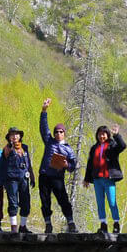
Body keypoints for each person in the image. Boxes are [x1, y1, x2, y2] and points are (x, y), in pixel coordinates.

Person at [38, 99, 78, 233]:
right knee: (45, 201)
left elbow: (73, 167)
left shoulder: (69, 149)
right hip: (44, 175)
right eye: (56, 132)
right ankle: (48, 224)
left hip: (57, 177)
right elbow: (44, 128)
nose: (58, 134)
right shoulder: (49, 141)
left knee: (63, 200)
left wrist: (67, 164)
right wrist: (44, 111)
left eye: (61, 132)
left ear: (64, 133)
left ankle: (71, 222)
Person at [83, 124, 125, 234]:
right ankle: (103, 225)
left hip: (108, 178)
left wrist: (117, 135)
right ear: (97, 135)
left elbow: (122, 146)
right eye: (100, 134)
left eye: (104, 134)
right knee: (100, 202)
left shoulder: (112, 145)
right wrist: (87, 178)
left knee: (112, 202)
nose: (102, 136)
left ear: (107, 135)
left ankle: (116, 224)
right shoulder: (94, 148)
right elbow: (90, 164)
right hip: (97, 179)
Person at [0, 126, 35, 233]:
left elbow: (28, 163)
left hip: (24, 178)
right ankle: (14, 228)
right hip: (11, 179)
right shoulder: (7, 148)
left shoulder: (25, 147)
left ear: (20, 136)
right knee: (13, 203)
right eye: (12, 134)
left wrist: (32, 177)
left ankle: (23, 226)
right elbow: (4, 159)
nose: (14, 136)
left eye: (16, 134)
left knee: (25, 202)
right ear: (9, 137)